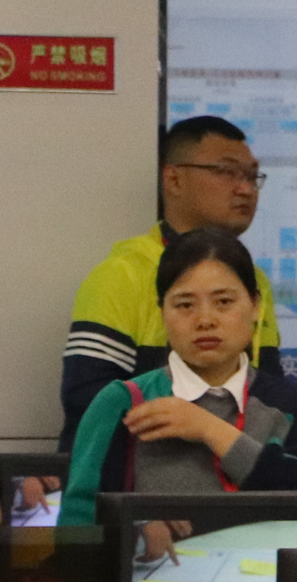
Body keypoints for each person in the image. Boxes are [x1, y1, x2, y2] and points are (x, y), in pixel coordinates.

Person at [59, 228, 297, 524]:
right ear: (162, 312)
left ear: (255, 306)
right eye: (185, 305)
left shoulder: (288, 402)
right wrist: (143, 535)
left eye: (224, 302)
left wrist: (209, 429)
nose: (205, 320)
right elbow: (80, 523)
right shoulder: (125, 401)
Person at [59, 115, 282, 445]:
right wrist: (201, 434)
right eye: (226, 172)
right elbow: (90, 404)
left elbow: (273, 402)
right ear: (174, 179)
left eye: (251, 176)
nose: (245, 189)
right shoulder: (123, 274)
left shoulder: (254, 280)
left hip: (233, 468)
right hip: (136, 470)